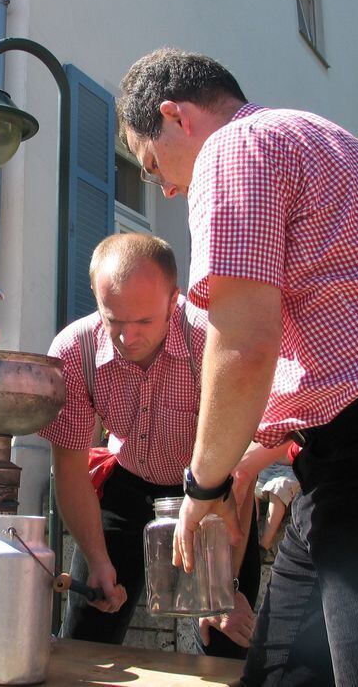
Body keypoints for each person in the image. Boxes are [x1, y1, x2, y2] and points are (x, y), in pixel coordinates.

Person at [118, 48, 358, 685]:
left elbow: (244, 346)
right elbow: (329, 340)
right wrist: (251, 456)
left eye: (150, 161)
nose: (162, 185)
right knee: (277, 674)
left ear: (175, 117)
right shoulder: (319, 135)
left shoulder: (235, 149)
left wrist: (204, 487)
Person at [39, 232, 260, 658]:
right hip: (129, 484)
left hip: (214, 491)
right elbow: (69, 471)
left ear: (174, 299)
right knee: (88, 630)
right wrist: (98, 561)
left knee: (226, 634)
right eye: (114, 321)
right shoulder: (74, 350)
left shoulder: (210, 340)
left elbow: (242, 471)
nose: (127, 339)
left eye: (144, 322)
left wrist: (223, 585)